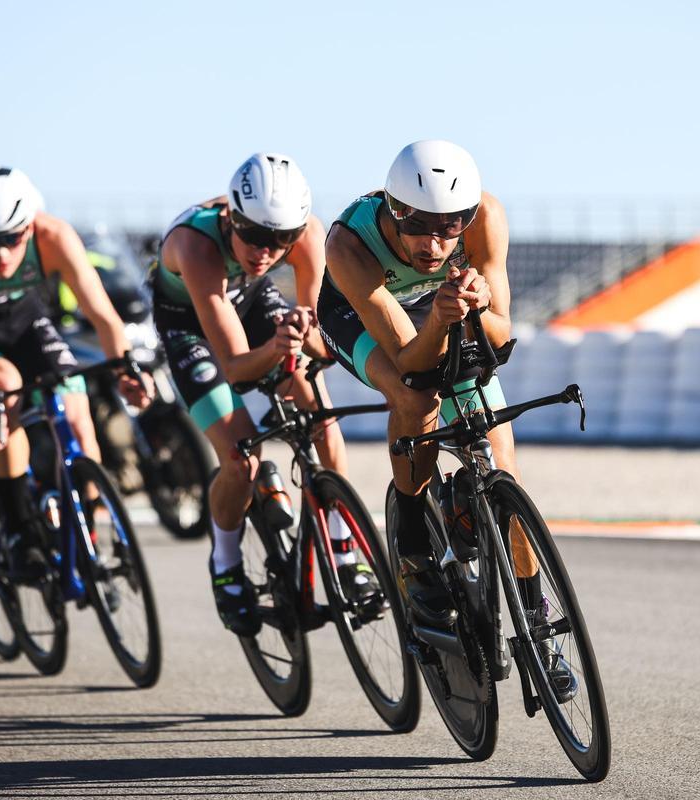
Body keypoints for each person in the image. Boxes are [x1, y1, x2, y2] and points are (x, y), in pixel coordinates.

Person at [319, 140, 553, 636]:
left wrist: (480, 306)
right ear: (392, 209)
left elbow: (501, 332)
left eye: (450, 228)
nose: (433, 243)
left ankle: (536, 620)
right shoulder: (348, 243)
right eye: (417, 224)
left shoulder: (487, 216)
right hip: (358, 315)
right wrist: (445, 318)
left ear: (466, 217)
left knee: (505, 468)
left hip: (437, 304)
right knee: (416, 394)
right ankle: (411, 540)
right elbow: (409, 360)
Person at [151, 153, 363, 636]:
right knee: (239, 457)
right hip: (190, 324)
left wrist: (305, 341)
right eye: (254, 236)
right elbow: (236, 370)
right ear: (232, 216)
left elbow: (318, 332)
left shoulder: (309, 234)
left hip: (247, 299)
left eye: (280, 240)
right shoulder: (196, 245)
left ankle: (344, 546)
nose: (267, 251)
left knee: (322, 417)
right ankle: (225, 562)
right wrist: (278, 347)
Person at [0, 167, 147, 577]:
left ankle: (88, 530)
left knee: (78, 418)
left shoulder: (54, 237)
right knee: (5, 387)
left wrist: (126, 370)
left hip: (24, 320)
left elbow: (104, 317)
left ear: (30, 225)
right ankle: (18, 527)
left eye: (11, 238)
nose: (1, 253)